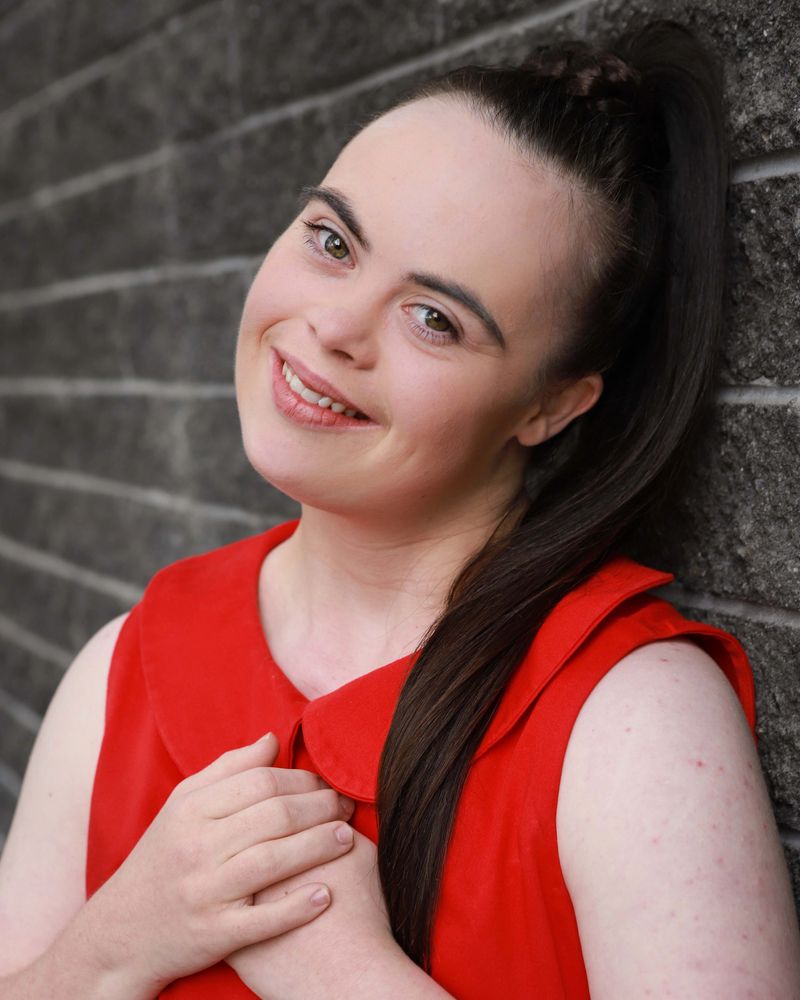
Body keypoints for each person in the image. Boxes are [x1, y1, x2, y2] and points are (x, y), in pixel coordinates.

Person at [1, 14, 799, 999]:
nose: (331, 326)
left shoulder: (629, 722)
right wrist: (121, 939)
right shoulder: (125, 667)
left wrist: (343, 975)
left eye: (434, 318)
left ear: (549, 405)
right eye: (332, 240)